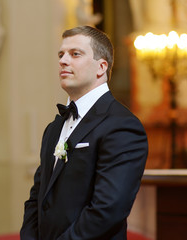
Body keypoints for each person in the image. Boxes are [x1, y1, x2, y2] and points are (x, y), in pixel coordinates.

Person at [20, 25, 148, 240]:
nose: (62, 60)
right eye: (61, 54)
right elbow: (37, 197)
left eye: (75, 54)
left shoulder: (122, 126)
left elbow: (108, 209)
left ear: (101, 67)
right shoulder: (54, 128)